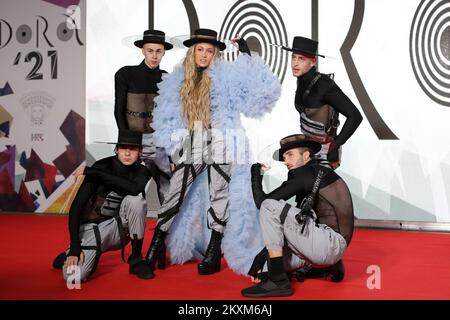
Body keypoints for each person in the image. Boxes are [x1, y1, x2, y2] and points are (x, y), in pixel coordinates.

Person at [144, 28, 281, 277]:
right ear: (192, 51)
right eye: (200, 49)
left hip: (222, 140)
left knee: (220, 194)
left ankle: (214, 252)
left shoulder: (226, 77)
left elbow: (259, 95)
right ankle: (154, 247)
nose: (204, 55)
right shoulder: (179, 80)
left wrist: (247, 56)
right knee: (176, 192)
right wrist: (174, 149)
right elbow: (167, 116)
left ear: (215, 53)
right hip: (193, 140)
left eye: (209, 50)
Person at [241, 134, 354, 297]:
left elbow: (263, 202)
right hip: (331, 247)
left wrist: (255, 173)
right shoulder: (319, 172)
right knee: (266, 267)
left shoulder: (304, 174)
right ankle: (329, 267)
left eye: (290, 155)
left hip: (328, 245)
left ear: (306, 155)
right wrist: (263, 256)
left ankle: (278, 282)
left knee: (270, 207)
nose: (286, 161)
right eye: (284, 157)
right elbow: (294, 222)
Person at [52, 130, 155, 281]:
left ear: (140, 151)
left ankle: (136, 261)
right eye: (123, 147)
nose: (127, 153)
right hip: (89, 230)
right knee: (73, 278)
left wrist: (94, 172)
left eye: (132, 148)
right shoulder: (102, 166)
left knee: (136, 201)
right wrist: (75, 246)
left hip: (117, 229)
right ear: (116, 149)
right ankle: (71, 252)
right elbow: (75, 208)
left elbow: (134, 189)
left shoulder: (142, 171)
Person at [282, 36, 363, 168]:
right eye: (293, 57)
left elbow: (355, 116)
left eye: (301, 59)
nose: (295, 63)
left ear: (313, 61)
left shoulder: (324, 85)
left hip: (325, 156)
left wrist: (335, 145)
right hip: (308, 154)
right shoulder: (301, 80)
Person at [114, 29, 173, 204]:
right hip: (132, 139)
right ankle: (127, 227)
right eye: (150, 50)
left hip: (158, 141)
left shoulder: (167, 78)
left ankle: (167, 229)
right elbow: (118, 110)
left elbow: (168, 118)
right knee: (130, 188)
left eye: (158, 51)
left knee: (167, 187)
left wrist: (170, 155)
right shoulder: (125, 73)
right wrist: (125, 142)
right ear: (143, 50)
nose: (154, 55)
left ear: (163, 52)